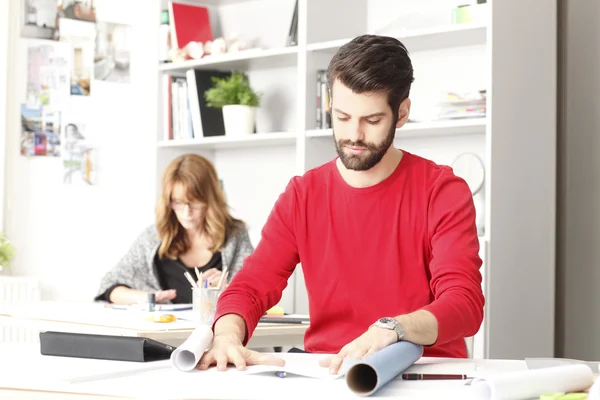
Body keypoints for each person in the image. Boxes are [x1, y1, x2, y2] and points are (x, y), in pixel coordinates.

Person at [199, 34, 485, 373]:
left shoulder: (442, 191)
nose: (354, 135)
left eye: (372, 120)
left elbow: (463, 304)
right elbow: (252, 285)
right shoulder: (302, 195)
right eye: (343, 117)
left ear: (402, 113)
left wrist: (393, 330)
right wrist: (227, 334)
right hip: (328, 374)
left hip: (427, 376)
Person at [95, 154, 254, 305]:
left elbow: (256, 292)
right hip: (165, 332)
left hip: (218, 332)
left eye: (195, 203)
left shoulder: (235, 236)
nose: (187, 213)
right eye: (177, 202)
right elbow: (109, 286)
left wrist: (227, 289)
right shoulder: (154, 238)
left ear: (210, 199)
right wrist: (148, 298)